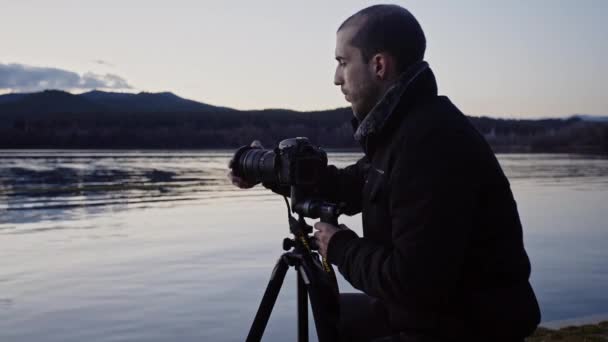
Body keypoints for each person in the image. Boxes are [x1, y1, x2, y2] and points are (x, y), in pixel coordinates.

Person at [230, 4, 541, 341]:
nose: (336, 78)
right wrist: (270, 170)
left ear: (379, 65)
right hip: (437, 313)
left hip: (465, 326)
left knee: (336, 314)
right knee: (334, 311)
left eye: (343, 62)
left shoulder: (429, 142)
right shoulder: (405, 131)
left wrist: (338, 246)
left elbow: (412, 282)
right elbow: (346, 187)